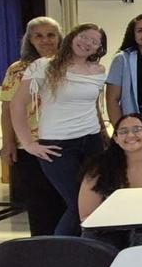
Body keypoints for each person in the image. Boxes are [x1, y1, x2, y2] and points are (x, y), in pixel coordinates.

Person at [12, 23, 109, 236]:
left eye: (95, 42)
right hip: (57, 144)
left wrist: (104, 137)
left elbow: (93, 106)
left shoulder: (99, 71)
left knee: (97, 198)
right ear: (72, 36)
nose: (88, 43)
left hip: (91, 141)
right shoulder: (44, 65)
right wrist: (28, 143)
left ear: (99, 49)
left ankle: (88, 248)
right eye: (84, 37)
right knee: (77, 203)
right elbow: (17, 104)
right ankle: (56, 253)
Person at [0, 16, 63, 235]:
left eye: (51, 35)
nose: (46, 40)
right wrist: (8, 142)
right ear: (30, 39)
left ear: (59, 38)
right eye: (39, 35)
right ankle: (41, 247)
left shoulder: (68, 66)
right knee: (39, 202)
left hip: (64, 141)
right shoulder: (17, 70)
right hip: (30, 145)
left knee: (66, 200)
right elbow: (7, 109)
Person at [77, 113, 142, 245]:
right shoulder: (99, 167)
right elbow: (86, 216)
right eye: (123, 131)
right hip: (108, 229)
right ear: (115, 138)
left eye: (137, 129)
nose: (131, 135)